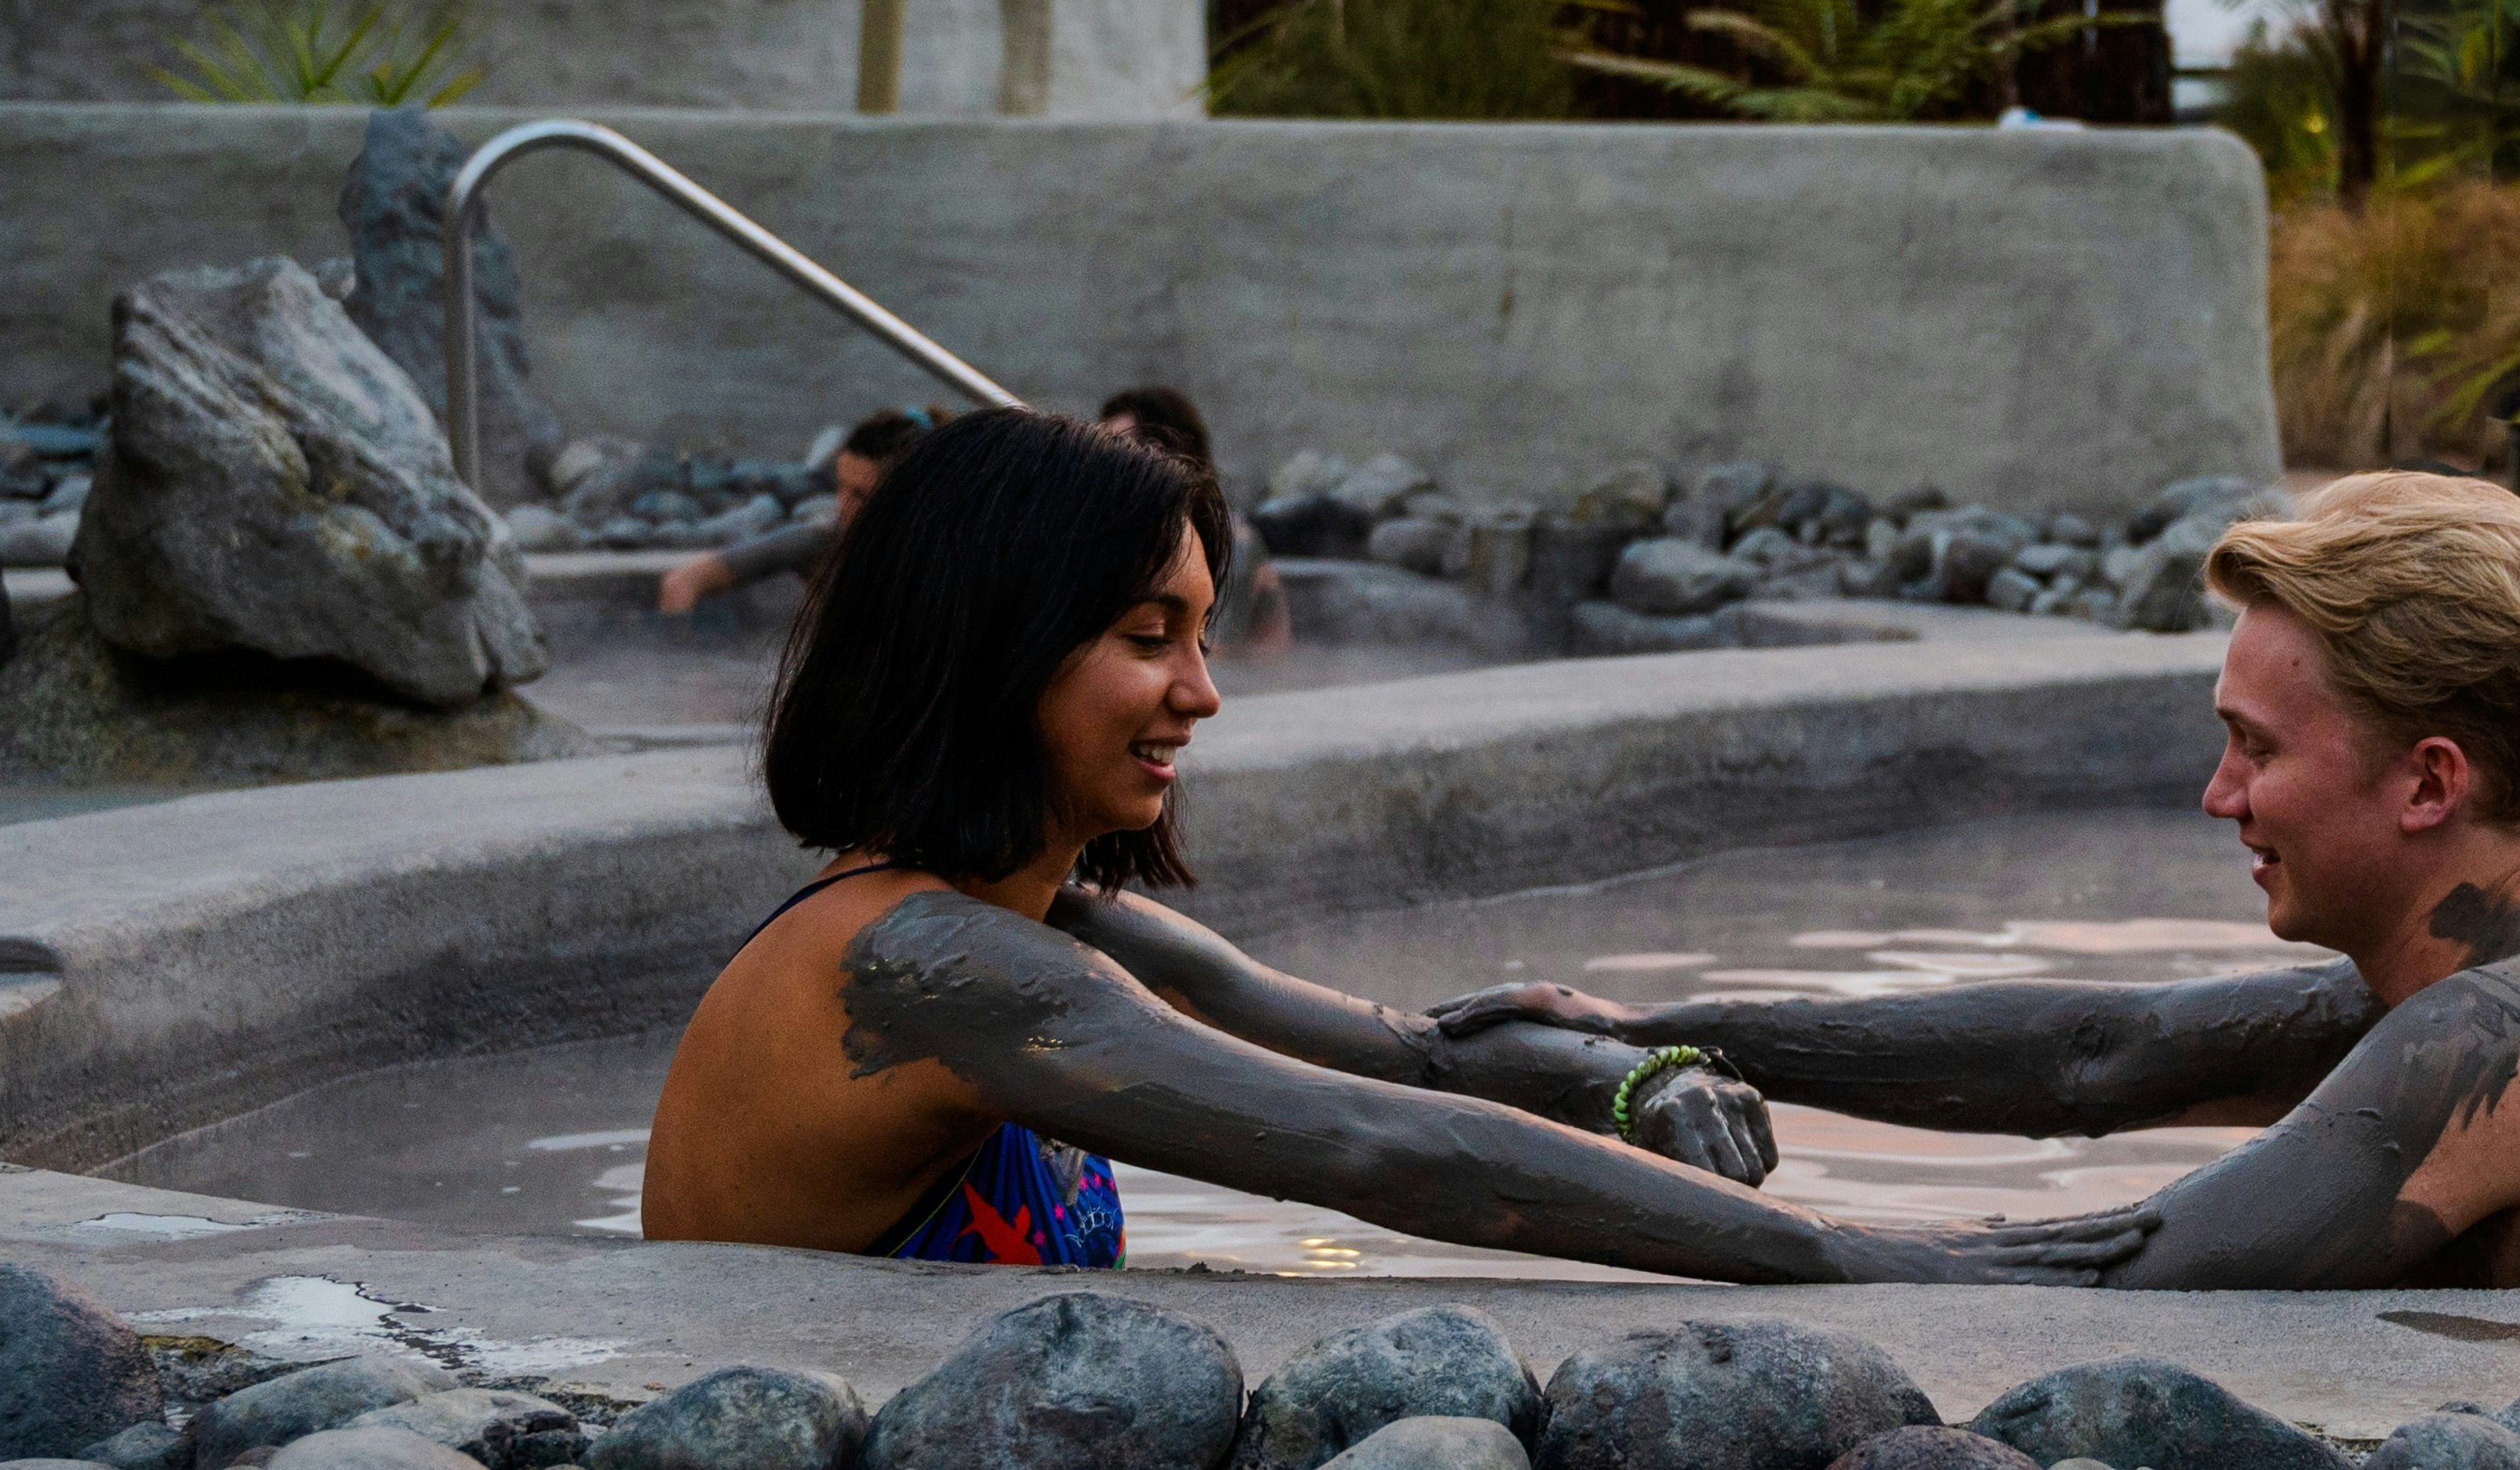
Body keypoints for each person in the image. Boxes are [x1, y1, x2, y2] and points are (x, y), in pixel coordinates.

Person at [637, 406, 2156, 1279]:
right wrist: (1900, 1262)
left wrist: (1636, 1074)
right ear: (994, 649)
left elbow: (1412, 1059)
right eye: (1146, 634)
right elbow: (1388, 1153)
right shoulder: (922, 963)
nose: (1202, 691)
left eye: (1204, 632)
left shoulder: (1050, 925)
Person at [1435, 471, 2520, 1289]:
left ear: (2429, 782)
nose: (2217, 795)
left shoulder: (2513, 1045)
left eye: (2254, 747)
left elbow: (2090, 1282)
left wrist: (1537, 1176)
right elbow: (2097, 1055)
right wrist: (1638, 1037)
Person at [658, 409, 925, 616]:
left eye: (862, 496)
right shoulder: (824, 542)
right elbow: (682, 583)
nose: (844, 505)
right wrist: (680, 666)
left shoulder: (943, 555)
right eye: (840, 487)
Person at [1096, 386, 1290, 658]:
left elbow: (1212, 656)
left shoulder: (1227, 541)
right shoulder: (1120, 537)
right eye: (1103, 451)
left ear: (1169, 456)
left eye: (1120, 451)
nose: (1103, 468)